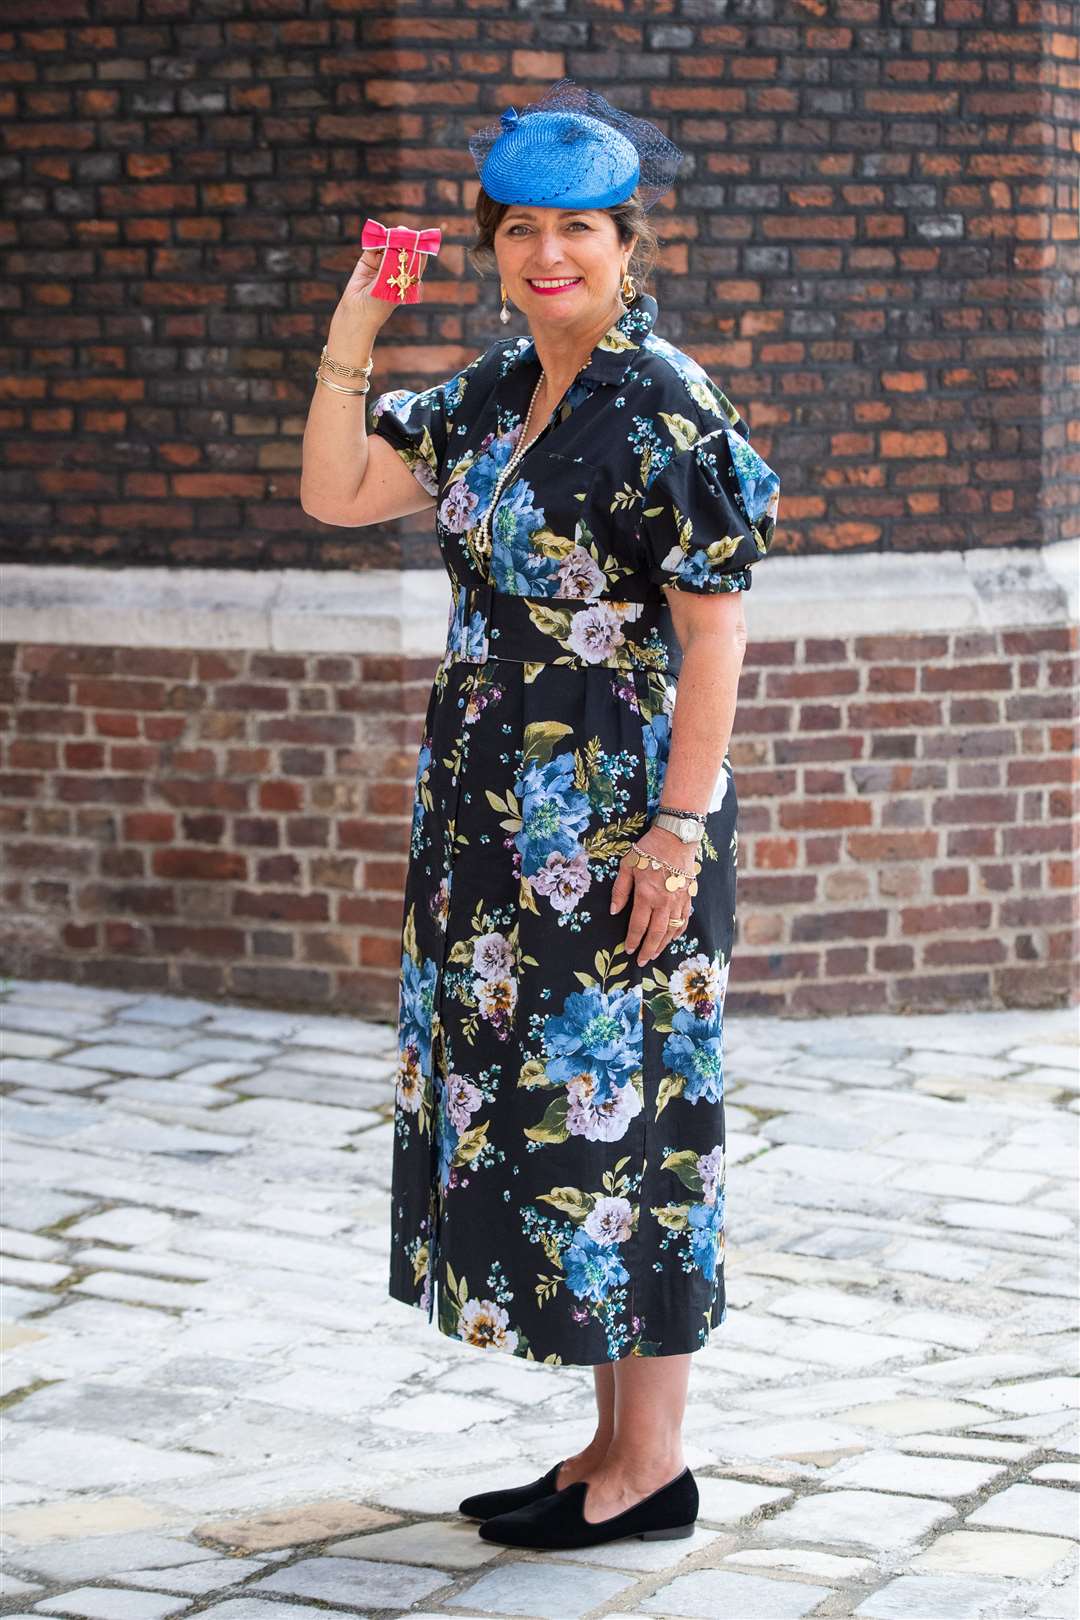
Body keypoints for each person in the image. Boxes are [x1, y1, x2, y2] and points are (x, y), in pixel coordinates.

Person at [299, 79, 780, 1553]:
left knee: (641, 1133)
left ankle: (658, 1465)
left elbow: (715, 639)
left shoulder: (666, 404)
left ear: (631, 246)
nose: (547, 253)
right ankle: (607, 1449)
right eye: (521, 229)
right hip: (495, 837)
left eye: (579, 228)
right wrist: (357, 324)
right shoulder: (497, 393)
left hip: (625, 831)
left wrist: (678, 830)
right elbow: (336, 492)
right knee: (570, 1145)